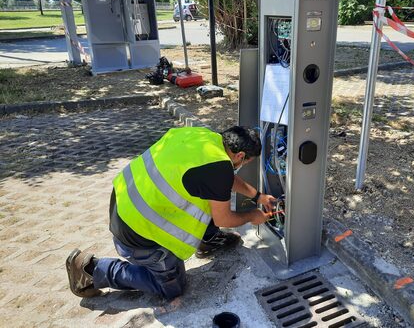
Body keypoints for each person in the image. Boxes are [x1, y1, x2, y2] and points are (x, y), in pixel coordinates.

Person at [66, 126, 276, 299]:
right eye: (246, 162)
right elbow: (224, 217)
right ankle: (91, 270)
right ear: (240, 155)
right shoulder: (218, 169)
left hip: (123, 203)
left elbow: (223, 179)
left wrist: (258, 196)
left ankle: (208, 239)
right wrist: (252, 215)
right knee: (170, 289)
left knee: (208, 196)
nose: (242, 165)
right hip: (138, 234)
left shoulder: (204, 137)